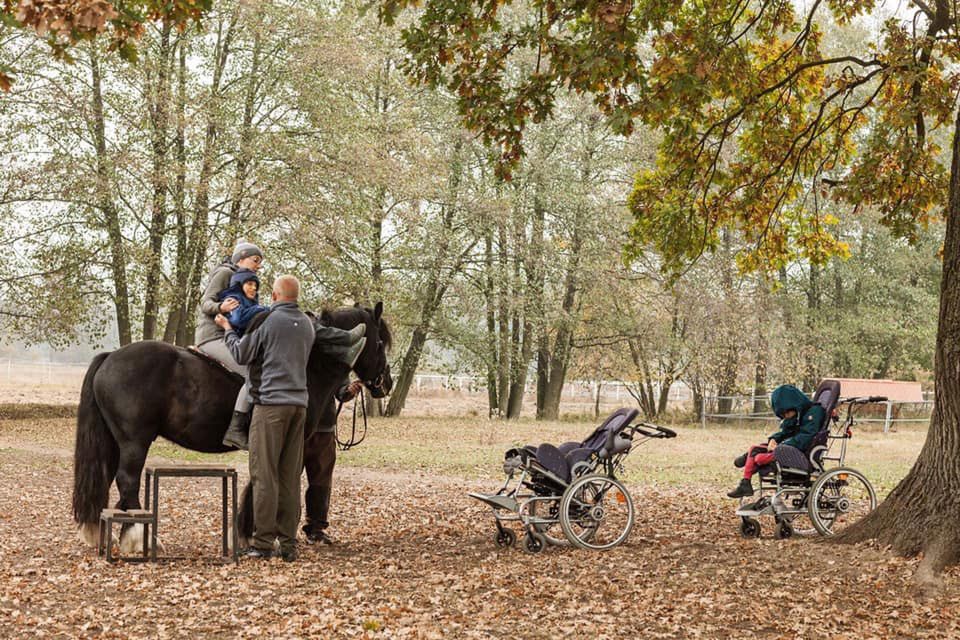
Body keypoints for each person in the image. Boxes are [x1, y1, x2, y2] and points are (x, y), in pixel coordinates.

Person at [196, 242, 365, 450]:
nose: (258, 266)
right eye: (255, 260)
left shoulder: (247, 282)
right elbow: (205, 303)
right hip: (215, 336)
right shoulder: (224, 274)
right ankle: (236, 428)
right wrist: (220, 307)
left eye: (260, 263)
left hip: (235, 334)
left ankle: (342, 340)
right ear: (240, 258)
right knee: (252, 373)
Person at [216, 274, 313, 562]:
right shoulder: (307, 325)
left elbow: (242, 354)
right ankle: (288, 543)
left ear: (273, 295)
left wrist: (227, 329)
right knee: (289, 476)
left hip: (270, 406)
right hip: (299, 406)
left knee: (264, 474)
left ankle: (262, 542)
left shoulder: (269, 321)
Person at [727, 384, 825, 498]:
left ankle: (750, 460)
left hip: (801, 454)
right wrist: (774, 439)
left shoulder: (814, 413)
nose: (785, 416)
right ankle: (746, 482)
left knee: (758, 458)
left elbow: (805, 437)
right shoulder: (798, 415)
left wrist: (782, 445)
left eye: (786, 413)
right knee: (754, 449)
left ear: (795, 405)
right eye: (783, 415)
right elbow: (786, 432)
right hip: (790, 449)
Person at [302, 377, 362, 545]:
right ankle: (284, 526)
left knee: (321, 480)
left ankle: (316, 527)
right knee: (288, 480)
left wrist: (349, 390)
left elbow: (341, 391)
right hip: (299, 426)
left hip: (324, 427)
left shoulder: (332, 354)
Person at [217, 269, 269, 337]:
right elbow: (238, 320)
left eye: (256, 286)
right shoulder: (233, 299)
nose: (254, 288)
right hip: (233, 340)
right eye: (249, 284)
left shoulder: (252, 302)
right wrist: (260, 309)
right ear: (239, 285)